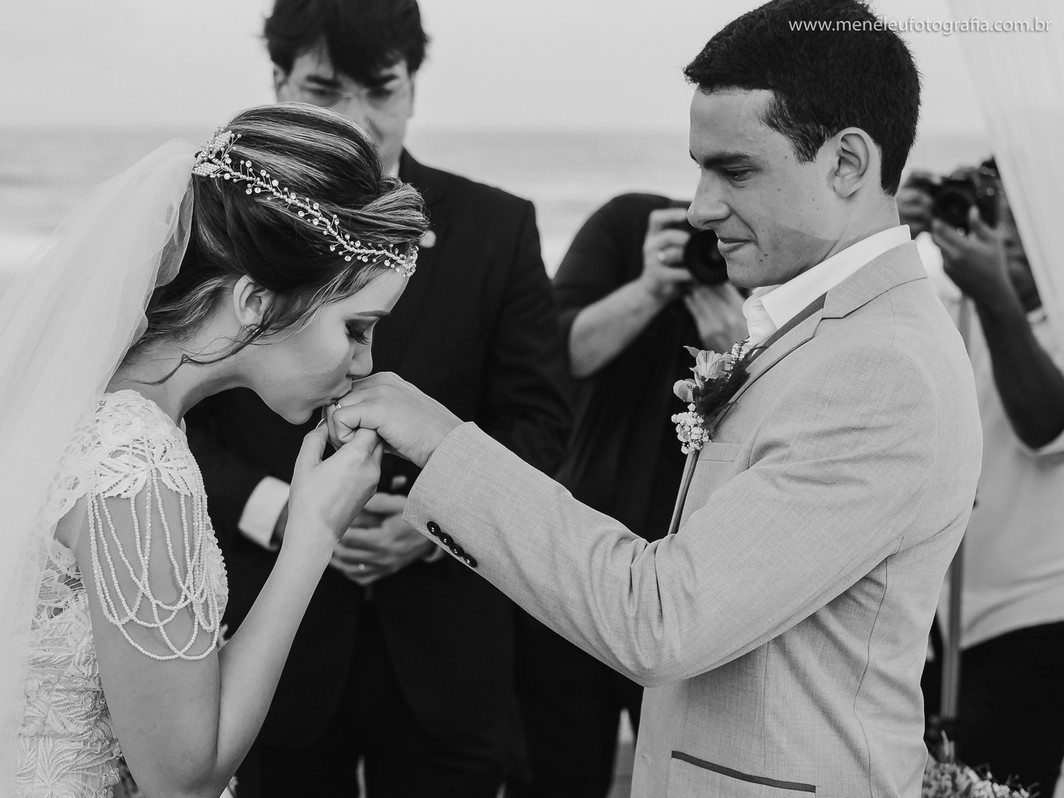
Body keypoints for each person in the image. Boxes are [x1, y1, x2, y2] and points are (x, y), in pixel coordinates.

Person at [329, 0, 985, 795]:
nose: (702, 206)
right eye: (699, 167)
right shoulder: (832, 331)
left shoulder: (881, 367)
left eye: (734, 169)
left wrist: (441, 439)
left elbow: (663, 618)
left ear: (847, 163)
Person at [0, 103, 428, 797]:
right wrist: (311, 535)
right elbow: (182, 777)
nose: (366, 365)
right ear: (255, 300)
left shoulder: (54, 399)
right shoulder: (135, 461)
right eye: (356, 328)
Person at [185, 1, 572, 796]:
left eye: (381, 90)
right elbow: (172, 420)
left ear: (414, 87)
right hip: (268, 649)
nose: (357, 123)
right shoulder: (220, 230)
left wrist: (440, 522)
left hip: (448, 647)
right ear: (278, 83)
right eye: (325, 91)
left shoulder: (499, 227)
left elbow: (543, 424)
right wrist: (286, 512)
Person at [511, 194, 745, 798]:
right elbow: (552, 356)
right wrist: (648, 289)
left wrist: (738, 348)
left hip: (694, 591)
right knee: (556, 775)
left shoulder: (766, 260)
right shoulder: (629, 223)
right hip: (576, 570)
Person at [900, 169, 1064, 794]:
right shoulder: (946, 313)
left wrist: (994, 294)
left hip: (1036, 618)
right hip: (938, 618)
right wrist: (888, 237)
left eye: (1030, 217)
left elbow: (1045, 425)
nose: (1012, 236)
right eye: (999, 213)